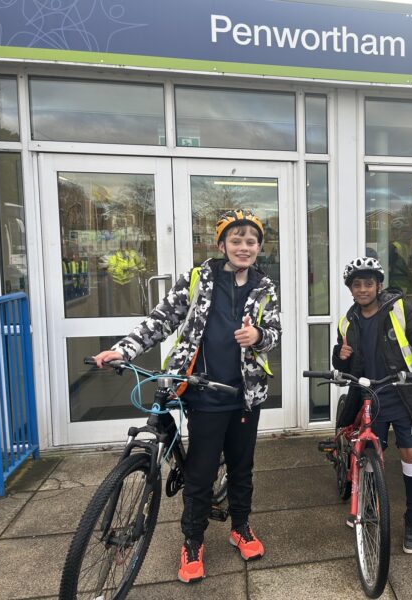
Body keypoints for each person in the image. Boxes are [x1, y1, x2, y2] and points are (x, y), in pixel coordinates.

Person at [93, 209, 281, 582]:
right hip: (203, 391)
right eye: (236, 240)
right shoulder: (198, 279)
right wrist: (124, 350)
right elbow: (161, 320)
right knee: (199, 473)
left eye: (251, 241)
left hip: (245, 394)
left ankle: (240, 527)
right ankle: (193, 541)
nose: (244, 247)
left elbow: (275, 332)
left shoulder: (265, 286)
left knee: (243, 468)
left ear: (259, 246)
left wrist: (258, 337)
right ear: (222, 244)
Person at [333, 256, 412, 553]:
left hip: (403, 392)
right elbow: (341, 359)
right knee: (369, 454)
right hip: (371, 395)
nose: (363, 289)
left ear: (379, 285)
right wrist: (340, 356)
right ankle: (366, 507)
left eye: (369, 283)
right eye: (357, 285)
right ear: (351, 290)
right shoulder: (348, 320)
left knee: (410, 451)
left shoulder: (399, 308)